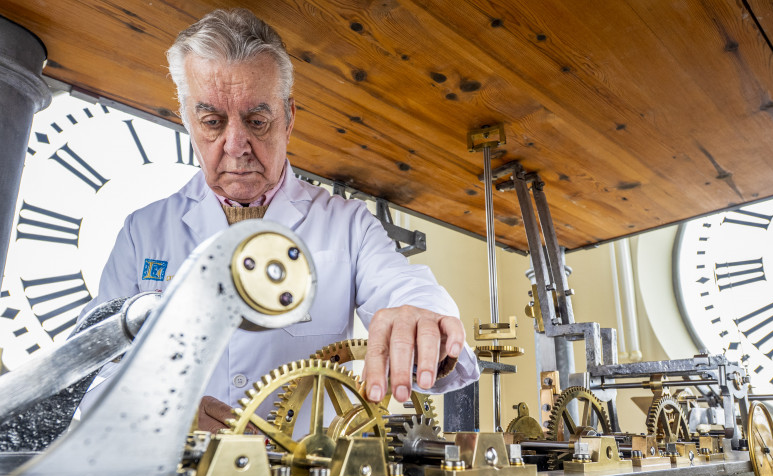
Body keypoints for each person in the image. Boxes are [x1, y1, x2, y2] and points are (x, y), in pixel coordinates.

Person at [78, 8, 478, 432]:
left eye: (257, 121)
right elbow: (89, 373)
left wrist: (420, 316)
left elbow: (403, 286)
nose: (236, 145)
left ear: (288, 118)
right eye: (212, 121)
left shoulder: (346, 225)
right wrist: (159, 413)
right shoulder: (143, 232)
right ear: (186, 119)